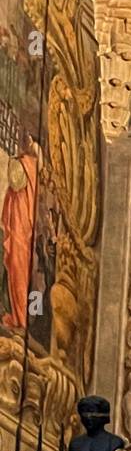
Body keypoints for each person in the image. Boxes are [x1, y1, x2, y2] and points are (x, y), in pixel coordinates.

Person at [1, 135, 41, 330]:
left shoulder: (26, 164)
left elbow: (16, 182)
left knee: (24, 274)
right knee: (33, 277)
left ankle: (25, 319)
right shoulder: (37, 168)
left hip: (23, 229)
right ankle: (30, 318)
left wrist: (12, 162)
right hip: (29, 229)